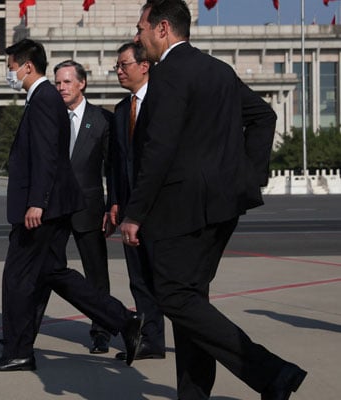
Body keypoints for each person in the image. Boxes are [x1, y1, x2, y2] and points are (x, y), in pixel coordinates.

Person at [121, 1, 307, 398]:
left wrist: (135, 212)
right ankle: (194, 394)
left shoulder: (169, 74)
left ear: (162, 28)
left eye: (141, 29)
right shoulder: (217, 70)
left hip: (181, 209)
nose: (138, 37)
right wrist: (247, 176)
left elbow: (159, 148)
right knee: (192, 298)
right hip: (222, 206)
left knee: (174, 297)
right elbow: (264, 117)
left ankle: (271, 372)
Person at [0, 39, 143, 372]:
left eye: (10, 67)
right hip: (57, 206)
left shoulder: (42, 99)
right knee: (54, 274)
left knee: (16, 278)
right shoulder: (46, 99)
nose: (9, 73)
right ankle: (123, 320)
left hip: (45, 209)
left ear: (26, 66)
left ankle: (18, 351)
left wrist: (36, 202)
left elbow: (46, 157)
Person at [108, 42, 165, 361]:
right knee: (139, 277)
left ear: (144, 66)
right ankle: (152, 340)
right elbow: (116, 163)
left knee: (166, 278)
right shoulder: (120, 110)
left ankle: (191, 337)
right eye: (116, 66)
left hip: (161, 206)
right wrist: (114, 201)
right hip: (130, 208)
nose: (119, 71)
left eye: (123, 65)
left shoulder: (163, 103)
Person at [53, 60, 114, 354]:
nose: (61, 87)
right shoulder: (50, 117)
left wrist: (113, 205)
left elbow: (112, 169)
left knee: (96, 274)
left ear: (82, 83)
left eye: (67, 82)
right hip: (53, 210)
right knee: (45, 270)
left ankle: (101, 330)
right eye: (58, 83)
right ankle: (23, 331)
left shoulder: (102, 120)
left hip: (89, 210)